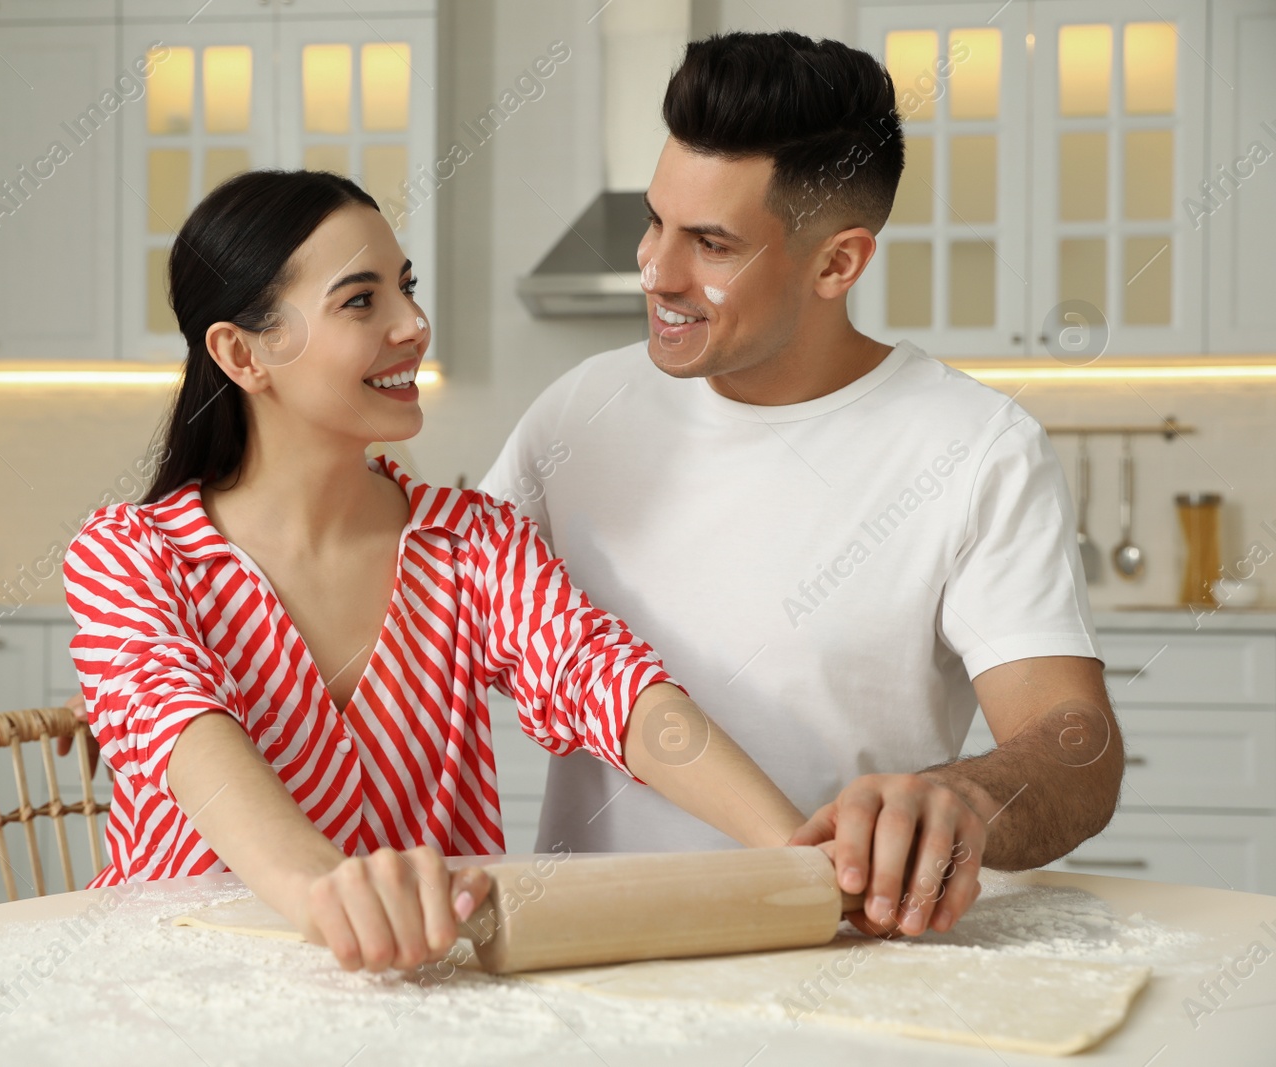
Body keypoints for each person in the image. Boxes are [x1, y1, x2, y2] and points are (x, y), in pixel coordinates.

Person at [62, 169, 812, 974]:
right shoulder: (131, 557)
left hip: (420, 1003)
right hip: (175, 996)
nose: (413, 323)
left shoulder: (471, 543)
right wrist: (330, 892)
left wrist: (801, 849)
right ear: (243, 352)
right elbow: (187, 737)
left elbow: (604, 678)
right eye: (361, 300)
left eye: (405, 288)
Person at [481, 32, 1124, 940]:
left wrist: (964, 795)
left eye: (711, 242)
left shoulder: (976, 449)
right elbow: (441, 626)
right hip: (592, 955)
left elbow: (1076, 745)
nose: (657, 272)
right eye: (655, 220)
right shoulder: (578, 409)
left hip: (842, 956)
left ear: (838, 263)